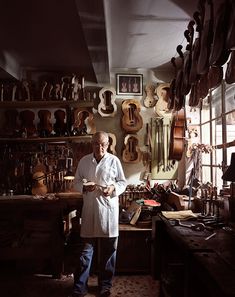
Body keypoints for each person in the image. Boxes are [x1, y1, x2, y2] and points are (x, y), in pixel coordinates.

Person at [70, 131, 127, 297]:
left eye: (103, 144)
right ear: (92, 144)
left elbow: (122, 182)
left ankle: (105, 286)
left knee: (108, 253)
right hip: (90, 211)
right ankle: (80, 287)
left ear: (108, 144)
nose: (99, 147)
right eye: (96, 143)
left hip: (108, 211)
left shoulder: (114, 161)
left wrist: (113, 189)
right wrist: (84, 187)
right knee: (85, 253)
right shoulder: (85, 161)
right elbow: (76, 182)